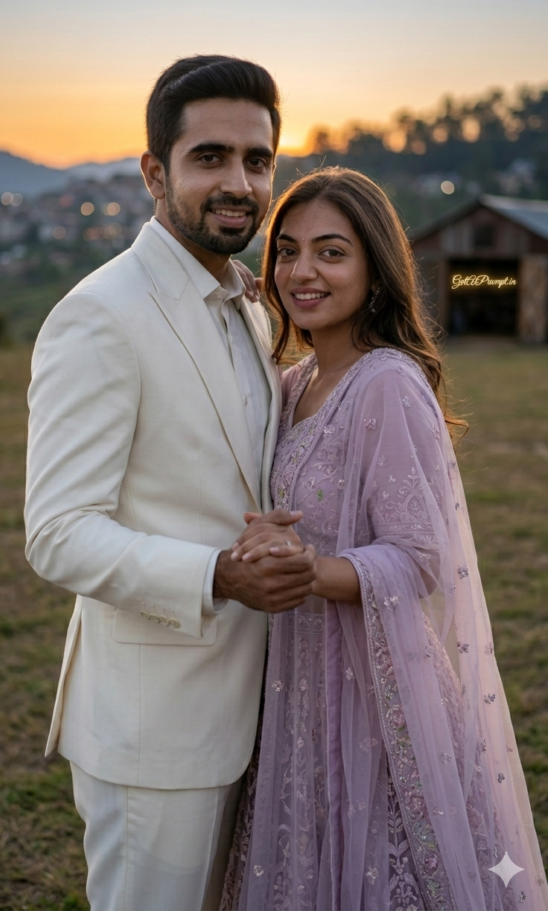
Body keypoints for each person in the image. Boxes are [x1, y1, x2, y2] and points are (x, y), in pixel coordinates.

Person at [24, 55, 315, 911]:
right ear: (155, 172)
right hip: (155, 733)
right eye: (210, 157)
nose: (240, 184)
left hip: (257, 709)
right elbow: (58, 533)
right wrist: (219, 574)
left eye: (257, 161)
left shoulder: (251, 305)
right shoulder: (100, 315)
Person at [222, 168, 548, 910]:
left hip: (375, 688)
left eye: (332, 252)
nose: (303, 271)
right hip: (296, 681)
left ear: (375, 270)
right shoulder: (292, 385)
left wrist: (310, 571)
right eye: (288, 251)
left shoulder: (387, 382)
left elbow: (420, 557)